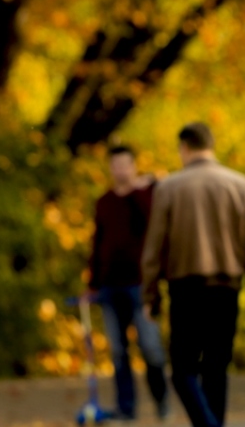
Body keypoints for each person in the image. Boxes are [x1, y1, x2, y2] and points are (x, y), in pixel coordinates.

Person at [141, 123, 245, 427]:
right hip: (226, 288)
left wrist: (150, 295)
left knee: (183, 370)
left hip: (184, 288)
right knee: (216, 368)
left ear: (184, 147)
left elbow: (154, 248)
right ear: (211, 146)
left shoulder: (169, 187)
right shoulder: (240, 185)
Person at [87, 145, 170, 421]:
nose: (120, 170)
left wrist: (138, 190)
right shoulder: (104, 202)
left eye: (125, 165)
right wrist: (93, 281)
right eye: (115, 165)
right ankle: (126, 407)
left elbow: (155, 226)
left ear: (134, 166)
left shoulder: (146, 196)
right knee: (118, 351)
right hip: (111, 286)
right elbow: (98, 242)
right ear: (110, 168)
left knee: (150, 347)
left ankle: (161, 398)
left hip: (140, 284)